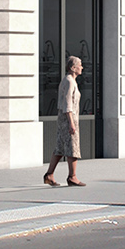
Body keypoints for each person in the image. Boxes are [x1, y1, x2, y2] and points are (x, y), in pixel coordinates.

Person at [42, 53, 84, 187]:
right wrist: (71, 123)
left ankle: (49, 175)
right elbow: (67, 104)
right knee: (73, 148)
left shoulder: (70, 80)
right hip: (68, 118)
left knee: (60, 147)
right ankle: (72, 177)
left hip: (66, 118)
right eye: (79, 65)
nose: (82, 67)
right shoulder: (69, 81)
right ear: (73, 68)